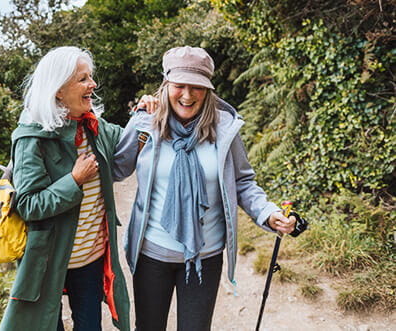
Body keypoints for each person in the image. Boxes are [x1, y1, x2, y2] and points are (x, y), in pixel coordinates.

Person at [115, 46, 296, 331]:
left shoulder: (224, 129)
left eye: (197, 86)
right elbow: (115, 169)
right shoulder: (145, 123)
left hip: (206, 255)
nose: (187, 95)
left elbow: (243, 182)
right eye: (179, 86)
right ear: (166, 85)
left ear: (208, 90)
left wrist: (267, 213)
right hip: (152, 254)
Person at [0, 46, 142, 331]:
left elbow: (128, 137)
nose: (93, 85)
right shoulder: (32, 138)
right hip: (49, 262)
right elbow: (28, 205)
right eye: (82, 79)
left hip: (89, 259)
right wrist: (74, 180)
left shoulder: (92, 126)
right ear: (58, 91)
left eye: (90, 77)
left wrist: (144, 112)